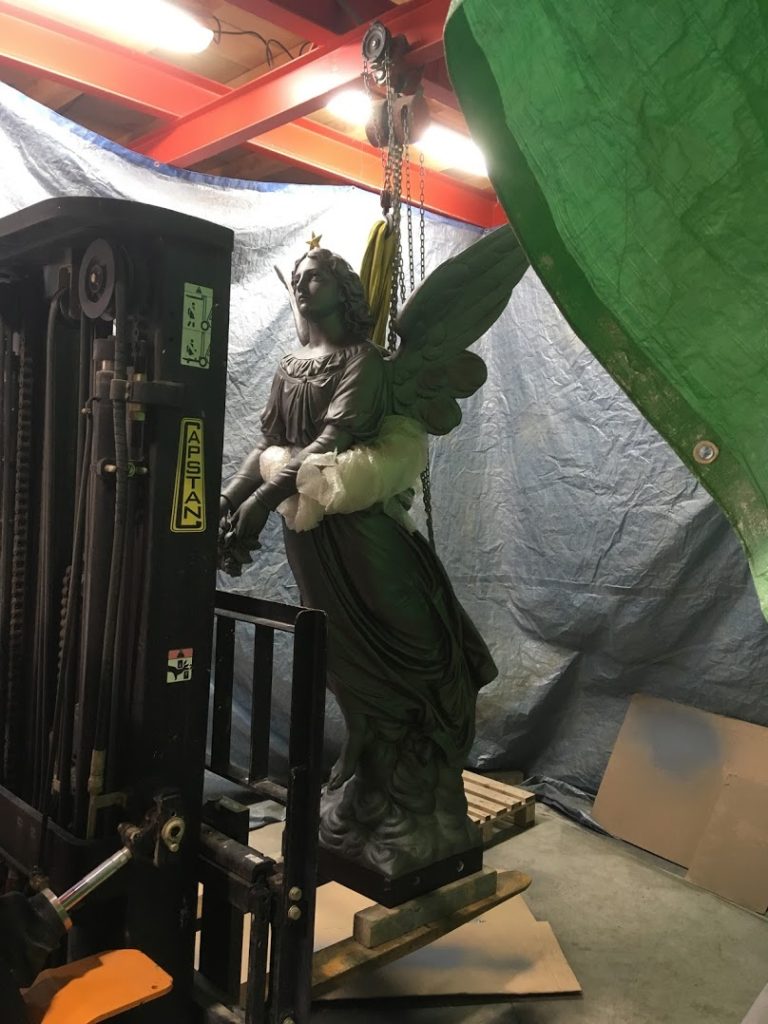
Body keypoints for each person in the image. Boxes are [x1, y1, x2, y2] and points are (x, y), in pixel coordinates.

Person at [219, 247, 498, 875]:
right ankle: (373, 780)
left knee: (414, 640)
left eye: (315, 275)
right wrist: (228, 498)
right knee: (343, 658)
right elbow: (269, 443)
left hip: (362, 534)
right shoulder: (291, 366)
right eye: (297, 277)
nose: (301, 284)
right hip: (310, 537)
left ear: (343, 290)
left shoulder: (363, 362)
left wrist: (260, 503)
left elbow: (328, 443)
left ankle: (424, 764)